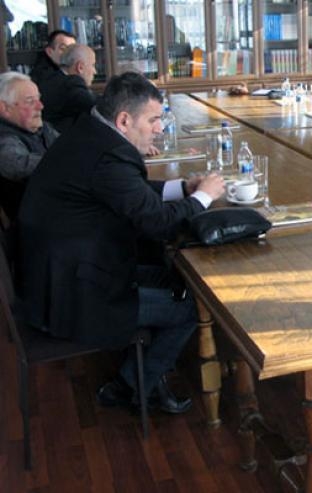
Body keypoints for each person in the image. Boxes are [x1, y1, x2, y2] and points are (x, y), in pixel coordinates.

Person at [17, 72, 226, 415]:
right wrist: (203, 197)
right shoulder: (110, 154)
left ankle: (148, 368)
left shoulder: (90, 133)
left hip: (66, 269)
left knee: (176, 278)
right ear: (124, 120)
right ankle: (133, 385)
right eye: (154, 119)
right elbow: (157, 223)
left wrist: (183, 189)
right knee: (195, 307)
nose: (160, 128)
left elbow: (129, 193)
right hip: (75, 293)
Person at [0, 72, 58, 221]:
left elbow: (69, 146)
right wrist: (64, 159)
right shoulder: (4, 138)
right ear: (5, 108)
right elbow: (15, 165)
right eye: (30, 101)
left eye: (38, 99)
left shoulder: (41, 127)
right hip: (39, 219)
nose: (40, 106)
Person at [38, 43, 98, 134]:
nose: (95, 72)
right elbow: (97, 106)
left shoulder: (51, 78)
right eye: (93, 65)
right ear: (80, 67)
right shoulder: (71, 83)